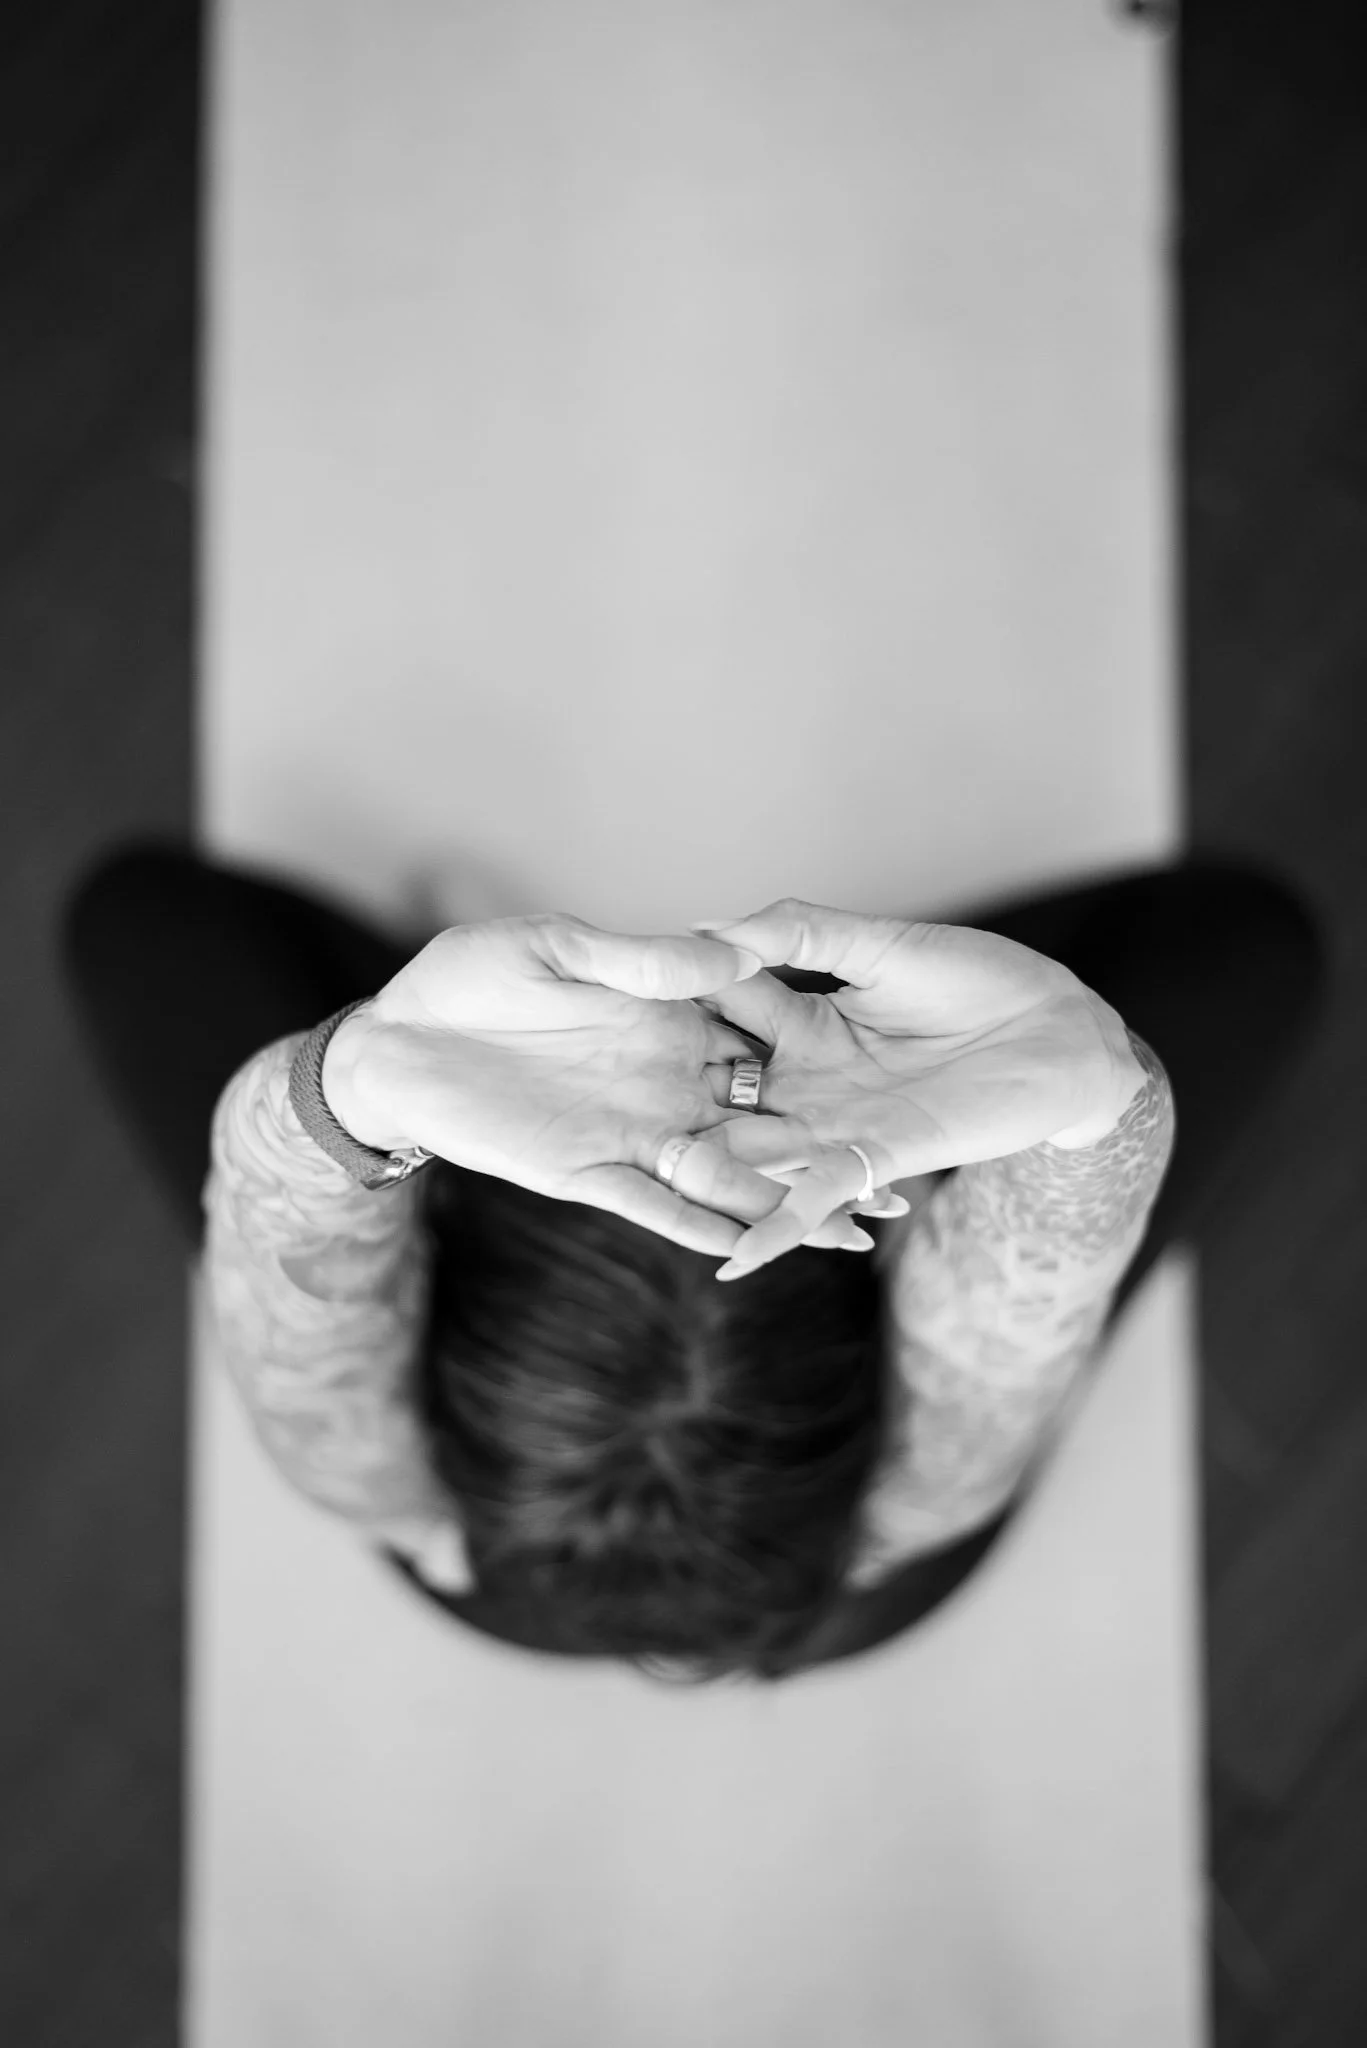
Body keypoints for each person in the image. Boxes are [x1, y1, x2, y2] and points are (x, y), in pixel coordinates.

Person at [60, 843, 1329, 1685]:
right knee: (1248, 940)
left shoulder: (394, 1494)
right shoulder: (927, 1485)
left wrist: (372, 1078)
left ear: (443, 1253)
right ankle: (981, 1051)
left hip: (538, 1571)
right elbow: (1020, 1309)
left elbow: (302, 1318)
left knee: (133, 916)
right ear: (878, 1261)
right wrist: (1084, 1075)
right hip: (853, 1578)